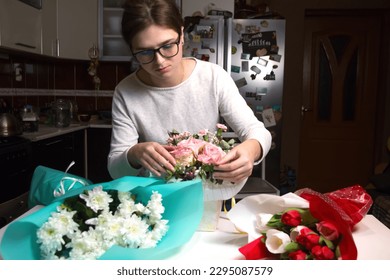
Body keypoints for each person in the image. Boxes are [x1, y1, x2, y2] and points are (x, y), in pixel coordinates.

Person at [107, 0, 272, 186]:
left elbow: (258, 131)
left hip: (207, 193)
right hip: (156, 200)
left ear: (182, 35)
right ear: (132, 50)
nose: (160, 61)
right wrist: (134, 154)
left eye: (168, 46)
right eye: (145, 52)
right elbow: (115, 169)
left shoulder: (213, 77)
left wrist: (251, 150)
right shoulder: (125, 91)